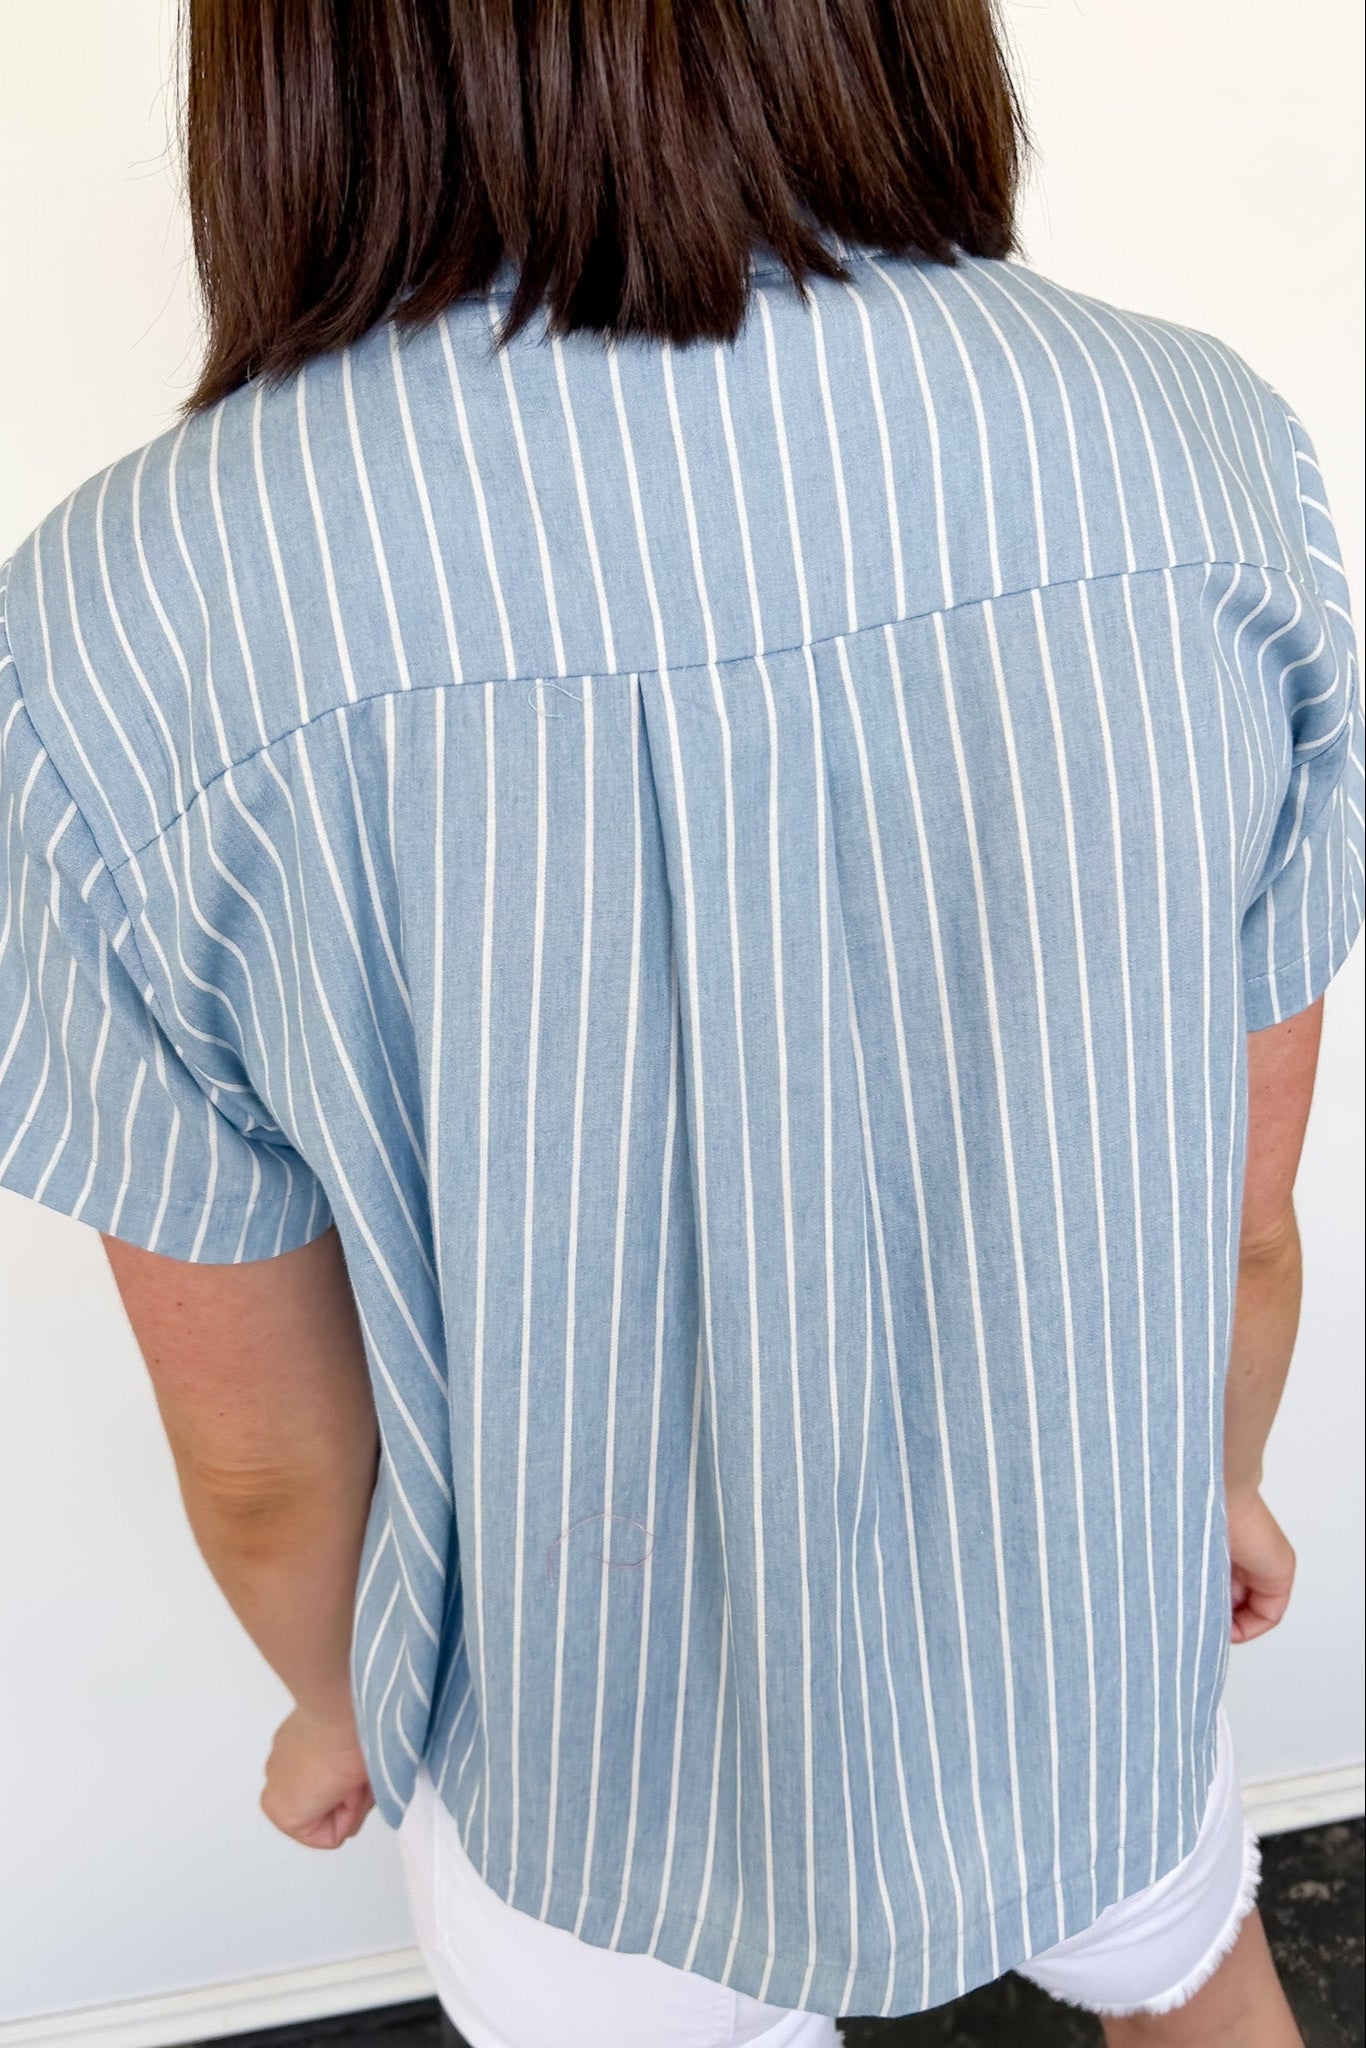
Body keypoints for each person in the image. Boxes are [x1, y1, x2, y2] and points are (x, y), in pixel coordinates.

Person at [0, 2, 1360, 2043]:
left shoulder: (121, 632)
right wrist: (1222, 1478)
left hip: (582, 1769)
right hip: (1087, 1640)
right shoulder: (1190, 446)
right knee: (1188, 1978)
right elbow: (1236, 1217)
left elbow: (270, 1456)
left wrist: (328, 1696)